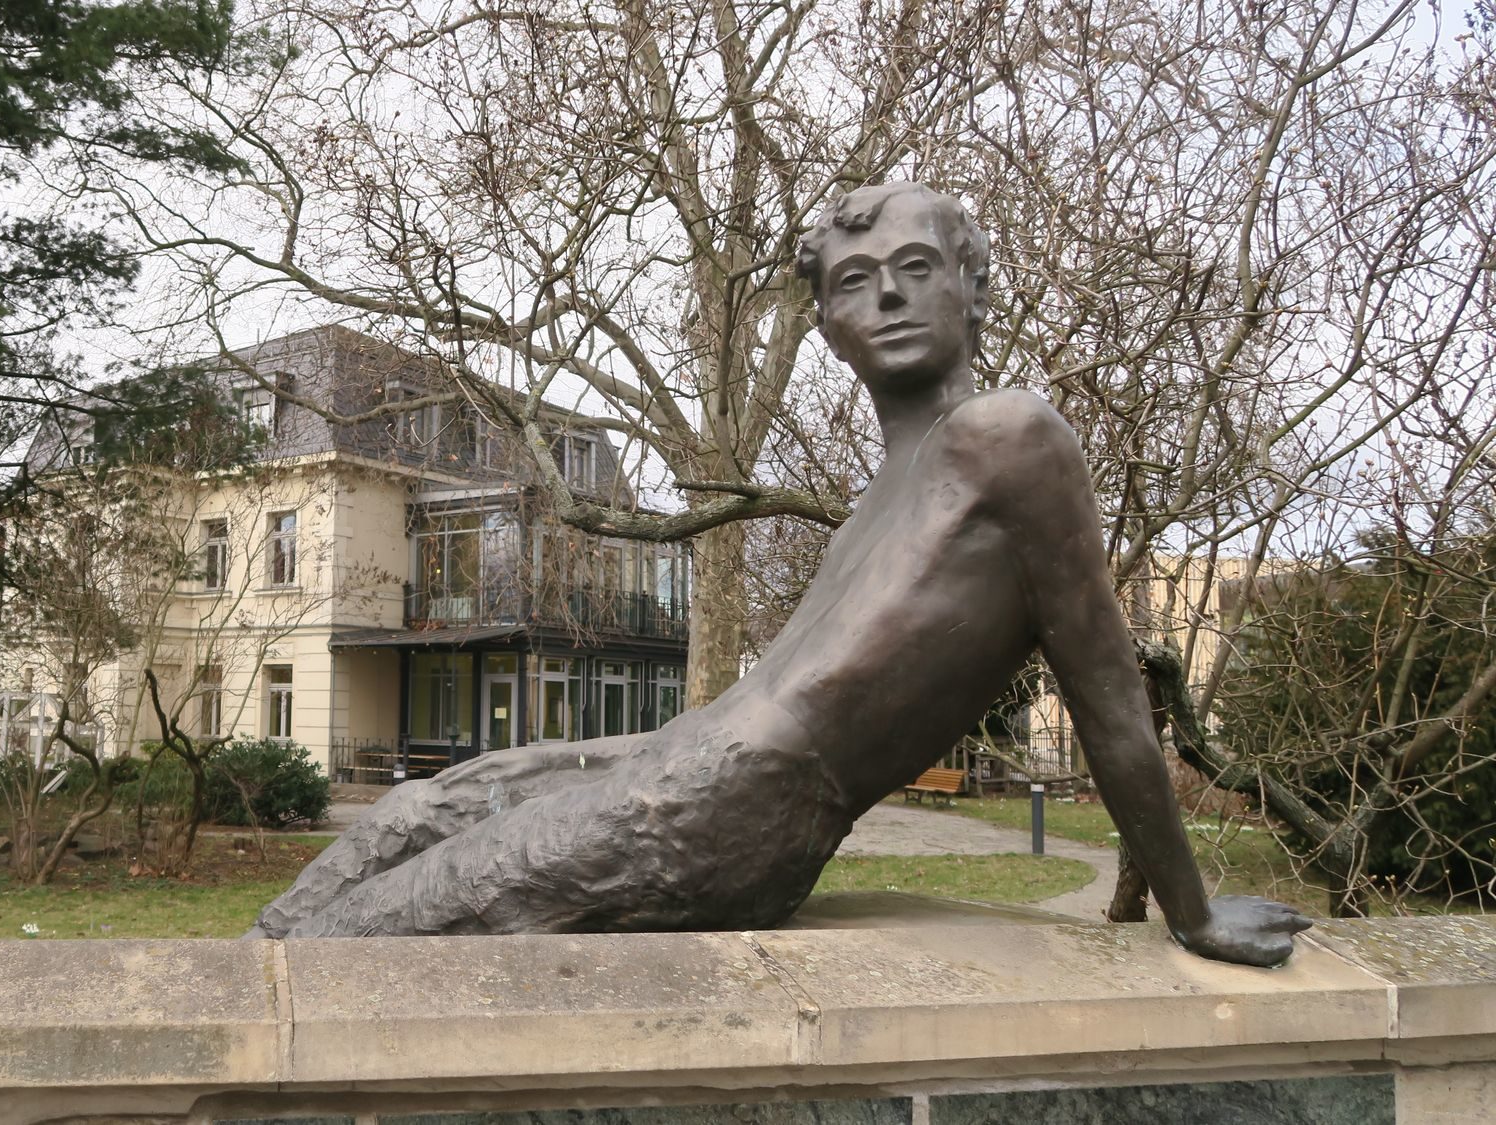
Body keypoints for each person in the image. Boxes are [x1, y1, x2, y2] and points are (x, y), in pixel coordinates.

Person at [246, 182, 1311, 967]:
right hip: (679, 755)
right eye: (855, 283)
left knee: (394, 920)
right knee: (414, 813)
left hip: (742, 805)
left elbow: (1108, 690)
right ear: (830, 327)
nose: (886, 297)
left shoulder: (1010, 439)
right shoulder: (889, 484)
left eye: (916, 270)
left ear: (971, 288)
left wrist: (1191, 908)